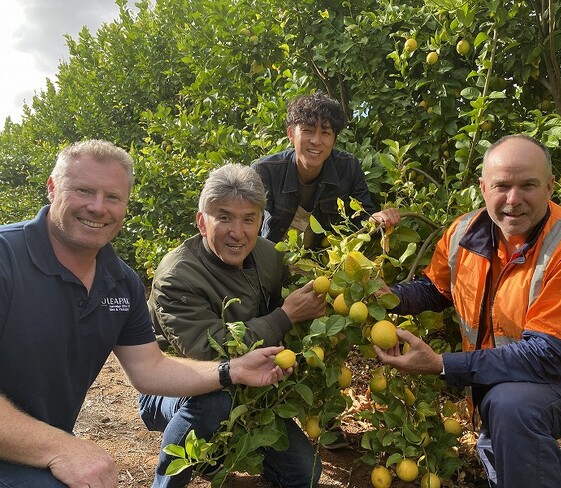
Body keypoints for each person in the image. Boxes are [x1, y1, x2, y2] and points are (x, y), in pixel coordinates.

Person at [0, 140, 295, 488]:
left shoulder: (119, 281)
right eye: (83, 190)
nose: (98, 207)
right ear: (52, 188)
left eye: (113, 197)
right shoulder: (7, 258)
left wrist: (232, 370)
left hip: (28, 452)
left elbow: (150, 369)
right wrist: (62, 448)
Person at [374, 134, 561, 487]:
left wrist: (442, 365)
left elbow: (551, 354)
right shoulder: (462, 233)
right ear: (483, 187)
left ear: (550, 187)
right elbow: (437, 289)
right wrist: (388, 297)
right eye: (502, 185)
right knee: (515, 474)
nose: (513, 200)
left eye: (528, 185)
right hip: (507, 375)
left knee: (512, 407)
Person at [139, 163, 326, 488]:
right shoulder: (177, 276)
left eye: (248, 219)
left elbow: (304, 300)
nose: (238, 232)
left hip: (248, 386)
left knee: (304, 473)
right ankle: (167, 481)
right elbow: (208, 352)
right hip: (173, 386)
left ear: (260, 222)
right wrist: (286, 316)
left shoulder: (269, 256)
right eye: (224, 217)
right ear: (202, 222)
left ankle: (217, 455)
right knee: (215, 401)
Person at [252, 91, 400, 246]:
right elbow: (247, 228)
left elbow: (361, 221)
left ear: (334, 139)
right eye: (308, 130)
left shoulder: (348, 168)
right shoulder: (264, 172)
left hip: (324, 266)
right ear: (291, 134)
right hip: (271, 264)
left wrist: (377, 220)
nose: (316, 141)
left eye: (325, 132)